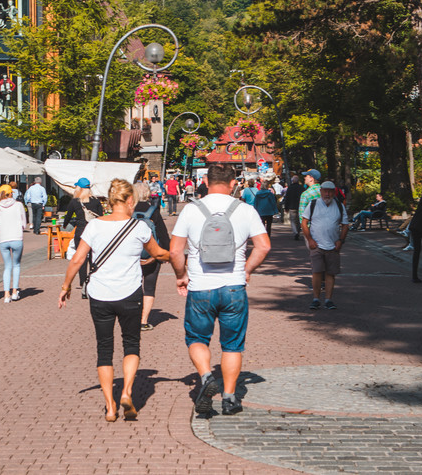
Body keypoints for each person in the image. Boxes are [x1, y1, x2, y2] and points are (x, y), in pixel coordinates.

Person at [59, 179, 168, 422]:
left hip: (99, 295)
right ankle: (127, 392)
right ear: (130, 201)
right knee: (131, 344)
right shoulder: (139, 228)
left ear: (110, 201)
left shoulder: (95, 226)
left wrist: (65, 286)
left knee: (104, 349)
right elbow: (159, 253)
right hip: (129, 293)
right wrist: (177, 258)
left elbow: (77, 259)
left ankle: (109, 406)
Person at [170, 163, 271, 416]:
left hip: (200, 287)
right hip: (234, 287)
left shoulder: (191, 210)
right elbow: (263, 246)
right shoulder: (246, 210)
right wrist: (246, 270)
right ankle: (229, 398)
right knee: (232, 345)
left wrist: (182, 276)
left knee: (196, 339)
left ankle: (205, 377)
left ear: (206, 181)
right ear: (233, 183)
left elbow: (174, 251)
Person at [301, 181, 347, 309]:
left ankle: (328, 299)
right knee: (316, 272)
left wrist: (340, 241)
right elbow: (304, 223)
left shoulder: (338, 205)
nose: (327, 194)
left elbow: (345, 225)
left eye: (330, 191)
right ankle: (316, 298)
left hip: (333, 246)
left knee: (330, 273)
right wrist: (309, 239)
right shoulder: (313, 204)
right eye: (325, 191)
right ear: (320, 191)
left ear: (334, 192)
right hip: (317, 245)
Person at [133, 182, 170, 332]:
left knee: (133, 286)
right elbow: (162, 233)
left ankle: (133, 318)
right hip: (152, 255)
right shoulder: (153, 210)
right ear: (147, 193)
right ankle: (143, 320)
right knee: (149, 287)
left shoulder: (128, 210)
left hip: (132, 255)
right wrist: (165, 254)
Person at [64, 178, 105, 296]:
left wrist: (65, 224)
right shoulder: (95, 201)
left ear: (80, 188)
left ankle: (83, 284)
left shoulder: (75, 202)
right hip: (94, 232)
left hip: (81, 232)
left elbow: (68, 216)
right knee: (94, 257)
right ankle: (92, 281)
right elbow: (100, 217)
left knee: (81, 259)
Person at [0, 184, 28, 302]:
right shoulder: (18, 205)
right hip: (16, 237)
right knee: (16, 265)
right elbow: (24, 223)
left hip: (3, 239)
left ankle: (6, 294)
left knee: (7, 266)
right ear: (11, 193)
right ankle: (15, 292)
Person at [282, 175, 304, 239]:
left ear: (292, 181)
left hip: (292, 207)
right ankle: (298, 231)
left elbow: (287, 198)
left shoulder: (290, 188)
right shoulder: (301, 188)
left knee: (293, 220)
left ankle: (295, 232)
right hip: (300, 206)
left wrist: (286, 207)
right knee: (299, 220)